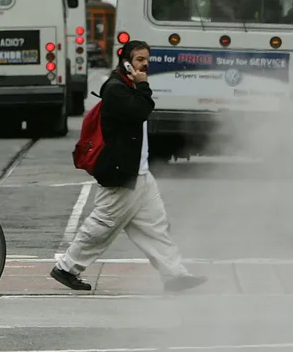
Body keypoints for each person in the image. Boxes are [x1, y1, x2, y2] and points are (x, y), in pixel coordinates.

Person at [50, 40, 207, 294]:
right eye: (139, 60)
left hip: (140, 174)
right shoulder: (116, 89)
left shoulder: (128, 86)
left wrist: (140, 84)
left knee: (155, 227)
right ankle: (67, 267)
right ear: (126, 62)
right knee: (102, 224)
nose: (145, 64)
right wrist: (143, 85)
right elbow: (141, 111)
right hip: (122, 173)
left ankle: (175, 274)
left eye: (147, 59)